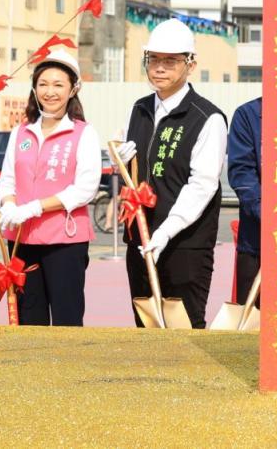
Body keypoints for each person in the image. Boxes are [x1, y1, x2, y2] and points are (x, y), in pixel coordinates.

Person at [113, 18, 227, 328]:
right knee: (145, 326)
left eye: (171, 60)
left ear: (190, 64)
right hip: (140, 238)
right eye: (154, 59)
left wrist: (165, 231)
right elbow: (137, 177)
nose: (160, 68)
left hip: (184, 245)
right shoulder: (139, 108)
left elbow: (201, 185)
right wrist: (124, 165)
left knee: (184, 329)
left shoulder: (207, 118)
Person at [0, 50, 101, 325]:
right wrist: (8, 203)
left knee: (67, 318)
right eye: (43, 84)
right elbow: (7, 179)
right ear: (34, 88)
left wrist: (34, 207)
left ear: (73, 89)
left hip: (64, 242)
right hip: (22, 239)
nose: (50, 92)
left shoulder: (84, 132)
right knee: (28, 317)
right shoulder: (22, 132)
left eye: (58, 85)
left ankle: (69, 369)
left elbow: (86, 188)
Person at [228, 96, 261, 307]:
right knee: (254, 329)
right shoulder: (248, 114)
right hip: (258, 243)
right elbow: (241, 172)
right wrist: (274, 217)